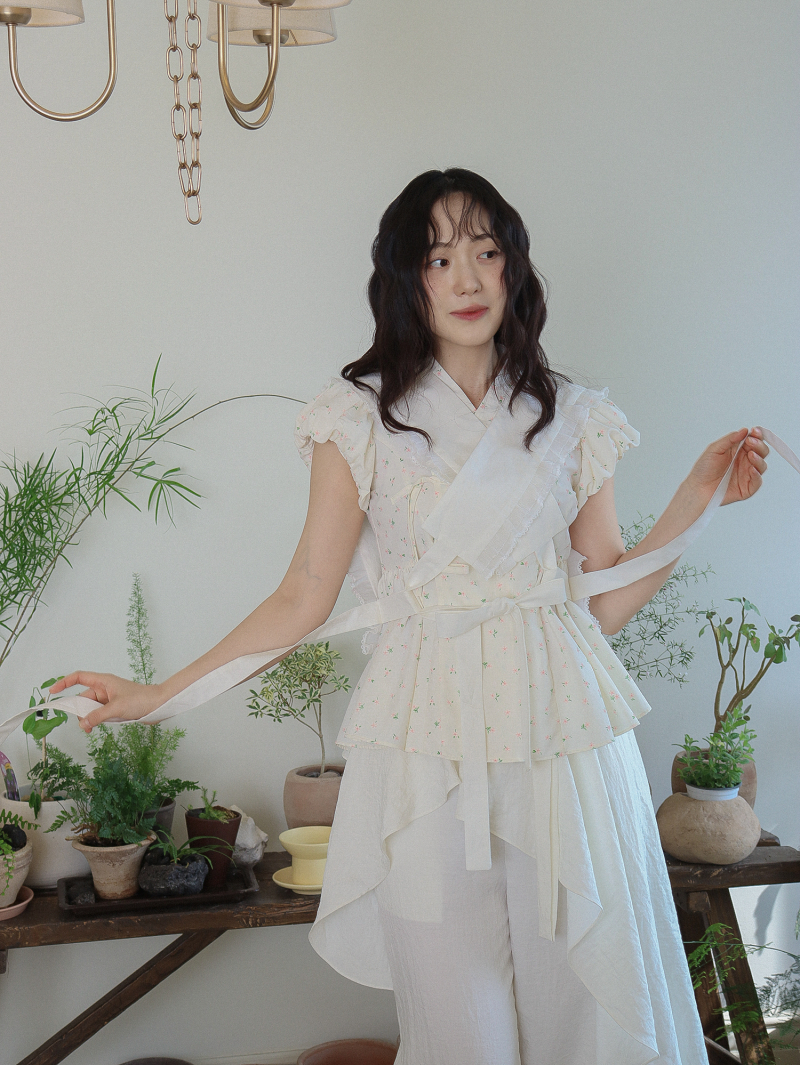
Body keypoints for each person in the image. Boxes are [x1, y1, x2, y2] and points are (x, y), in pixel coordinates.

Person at [52, 169, 769, 1065]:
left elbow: (602, 605)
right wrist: (157, 694)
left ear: (513, 267)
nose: (466, 278)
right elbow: (302, 593)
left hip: (566, 744)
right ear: (405, 277)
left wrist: (699, 498)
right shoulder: (357, 419)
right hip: (425, 746)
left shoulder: (573, 418)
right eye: (437, 258)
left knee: (583, 1016)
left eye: (486, 251)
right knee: (456, 1028)